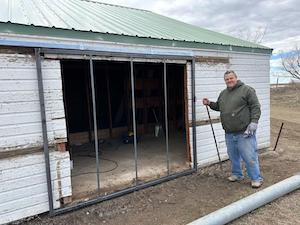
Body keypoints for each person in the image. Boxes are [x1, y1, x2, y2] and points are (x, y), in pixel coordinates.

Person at [203, 70, 263, 188]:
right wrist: (210, 103)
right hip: (229, 132)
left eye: (231, 78)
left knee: (249, 156)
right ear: (225, 81)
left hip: (244, 131)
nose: (229, 80)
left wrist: (254, 122)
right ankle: (237, 174)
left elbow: (255, 106)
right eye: (227, 79)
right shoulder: (223, 93)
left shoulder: (247, 90)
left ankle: (256, 178)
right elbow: (219, 107)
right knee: (233, 155)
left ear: (236, 78)